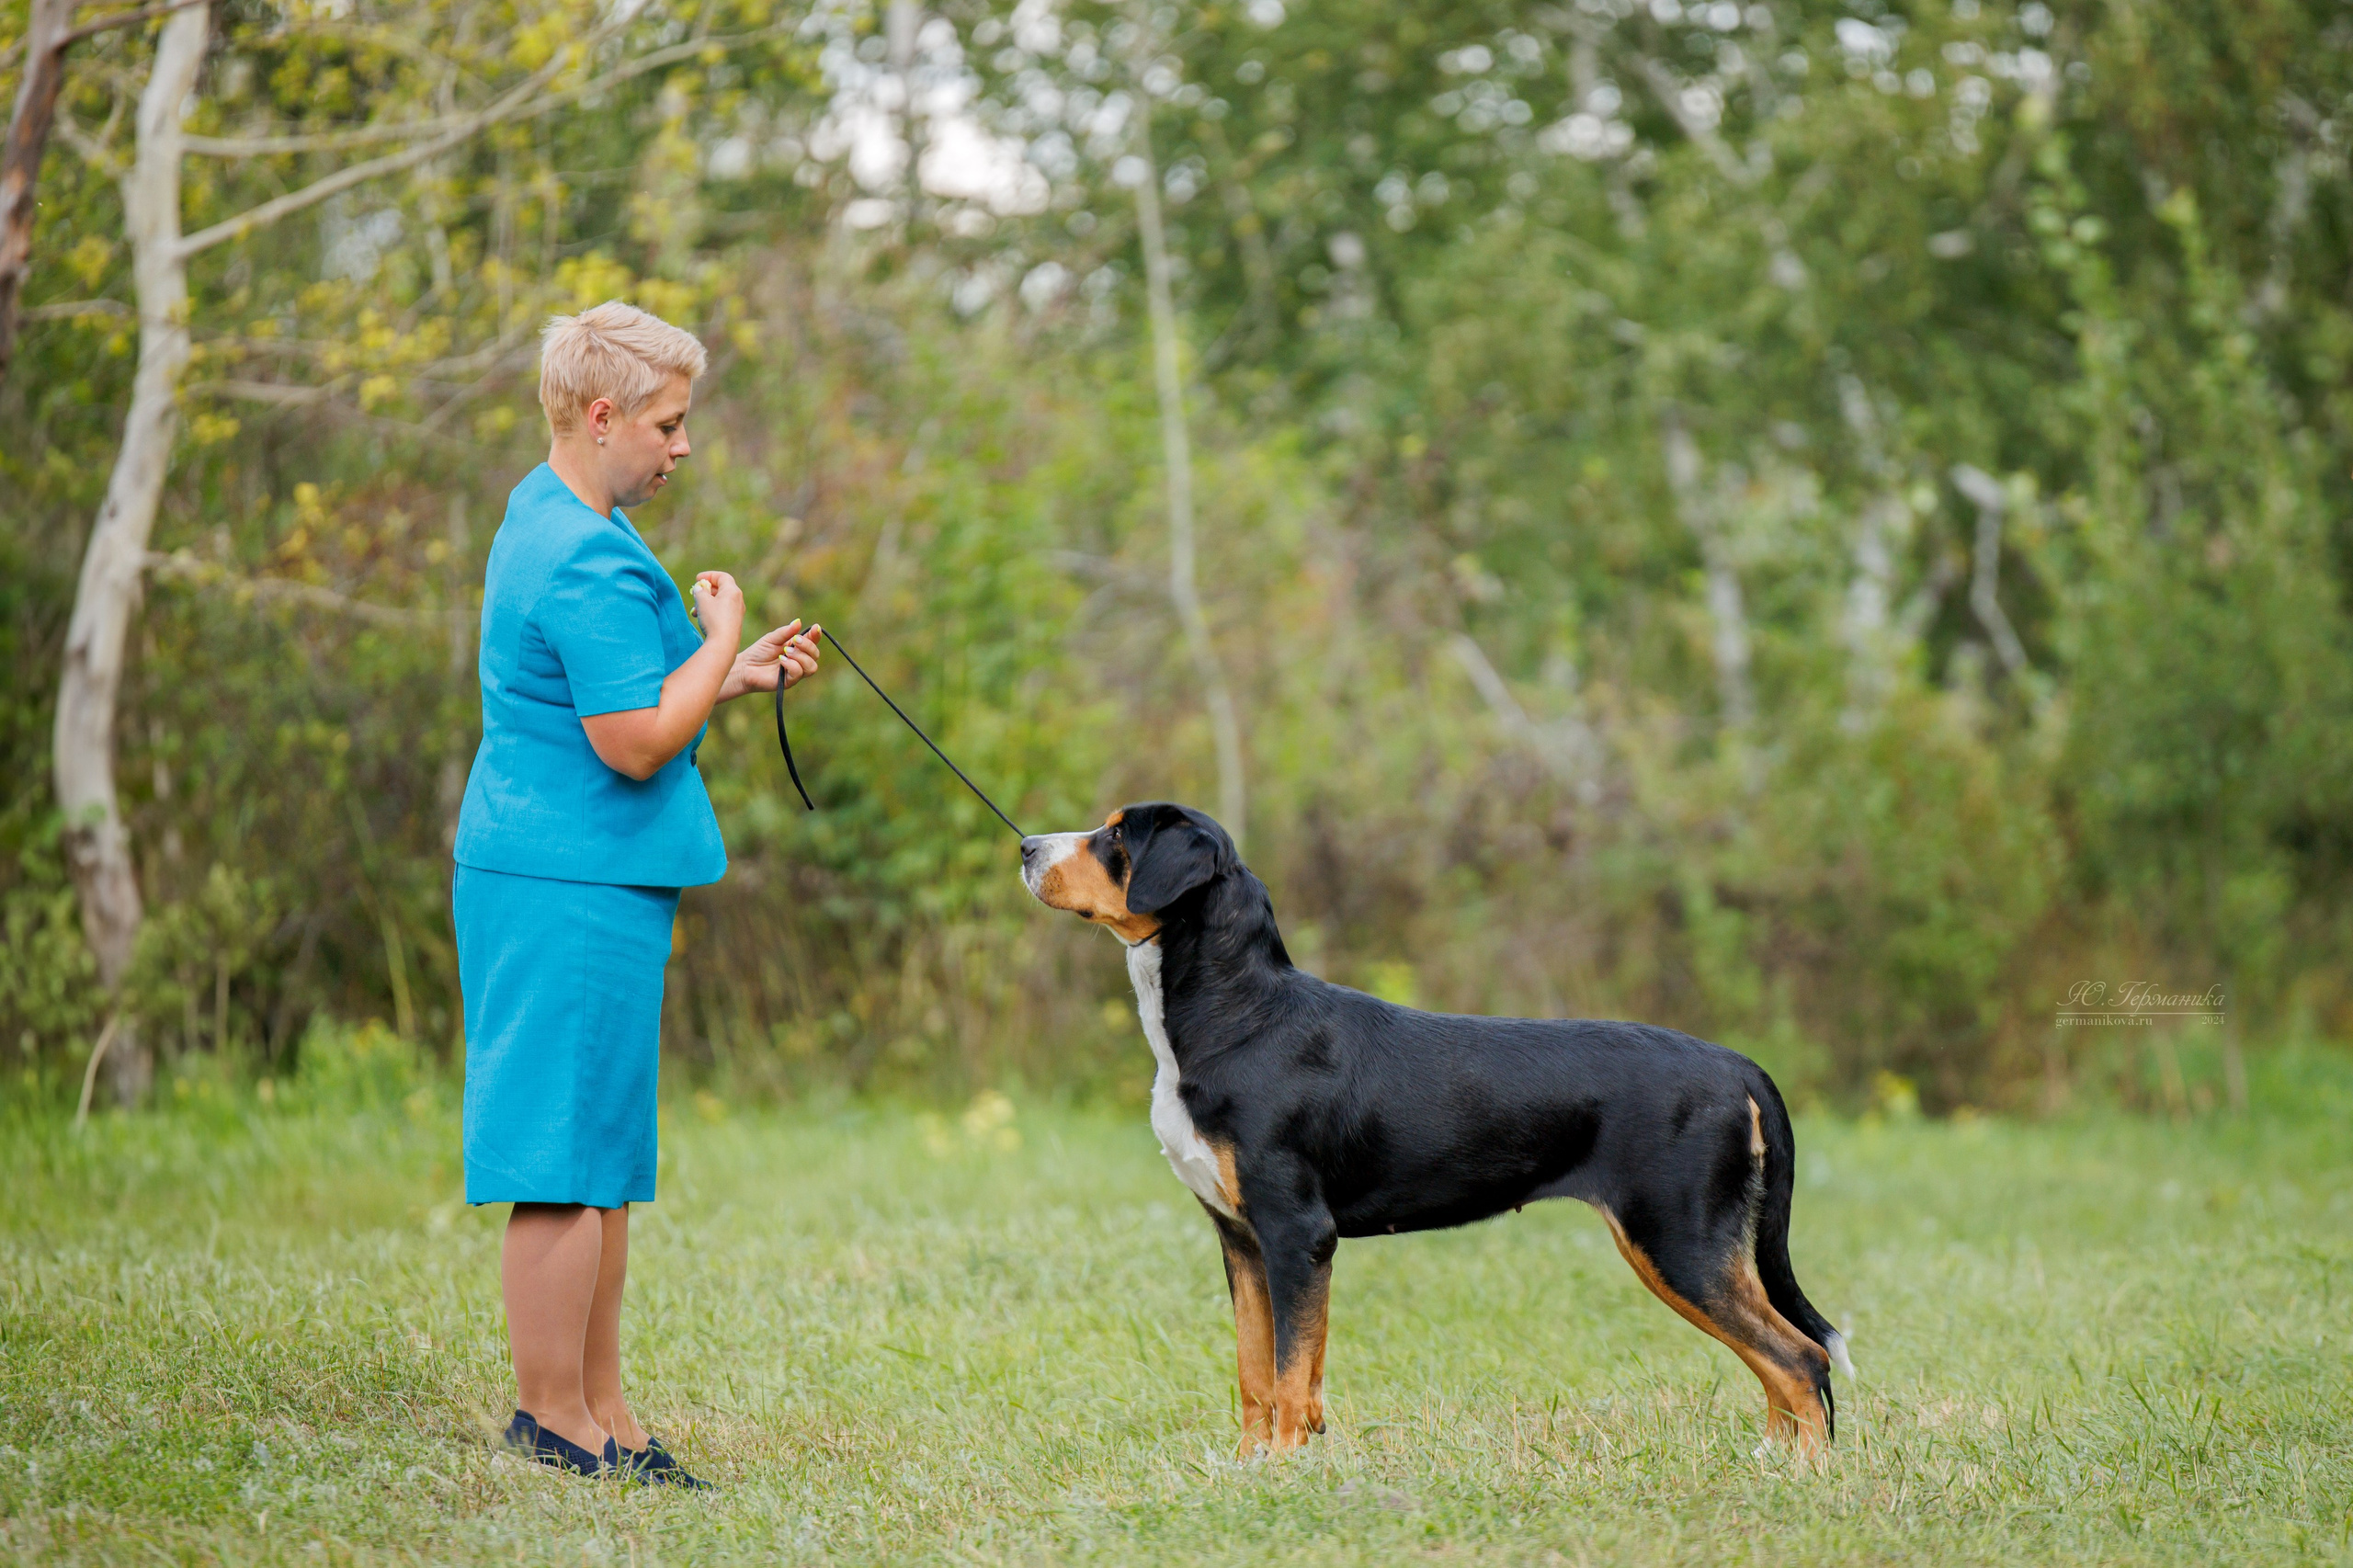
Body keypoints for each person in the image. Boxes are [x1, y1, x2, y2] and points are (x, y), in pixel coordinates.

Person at [450, 301, 821, 1486]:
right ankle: (552, 1420)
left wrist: (729, 670)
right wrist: (721, 640)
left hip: (585, 877)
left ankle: (605, 1414)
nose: (684, 445)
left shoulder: (554, 510)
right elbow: (633, 742)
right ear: (600, 415)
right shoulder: (584, 551)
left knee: (602, 1157)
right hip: (562, 880)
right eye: (668, 423)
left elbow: (611, 694)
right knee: (560, 1161)